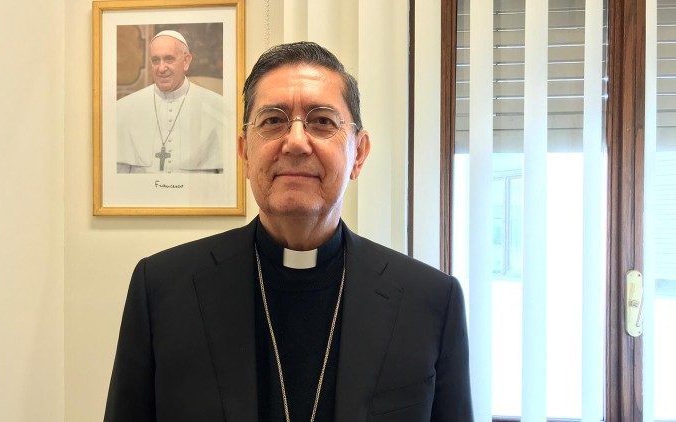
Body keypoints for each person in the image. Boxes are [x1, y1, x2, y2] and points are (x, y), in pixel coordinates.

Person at [104, 42, 473, 421]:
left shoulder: (430, 301)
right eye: (273, 121)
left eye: (322, 121)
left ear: (358, 154)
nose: (296, 142)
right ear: (245, 153)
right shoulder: (162, 289)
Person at [116, 30, 225, 174]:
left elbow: (225, 180)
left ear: (186, 61)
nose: (161, 68)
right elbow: (118, 178)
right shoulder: (124, 109)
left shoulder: (217, 107)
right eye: (155, 60)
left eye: (169, 59)